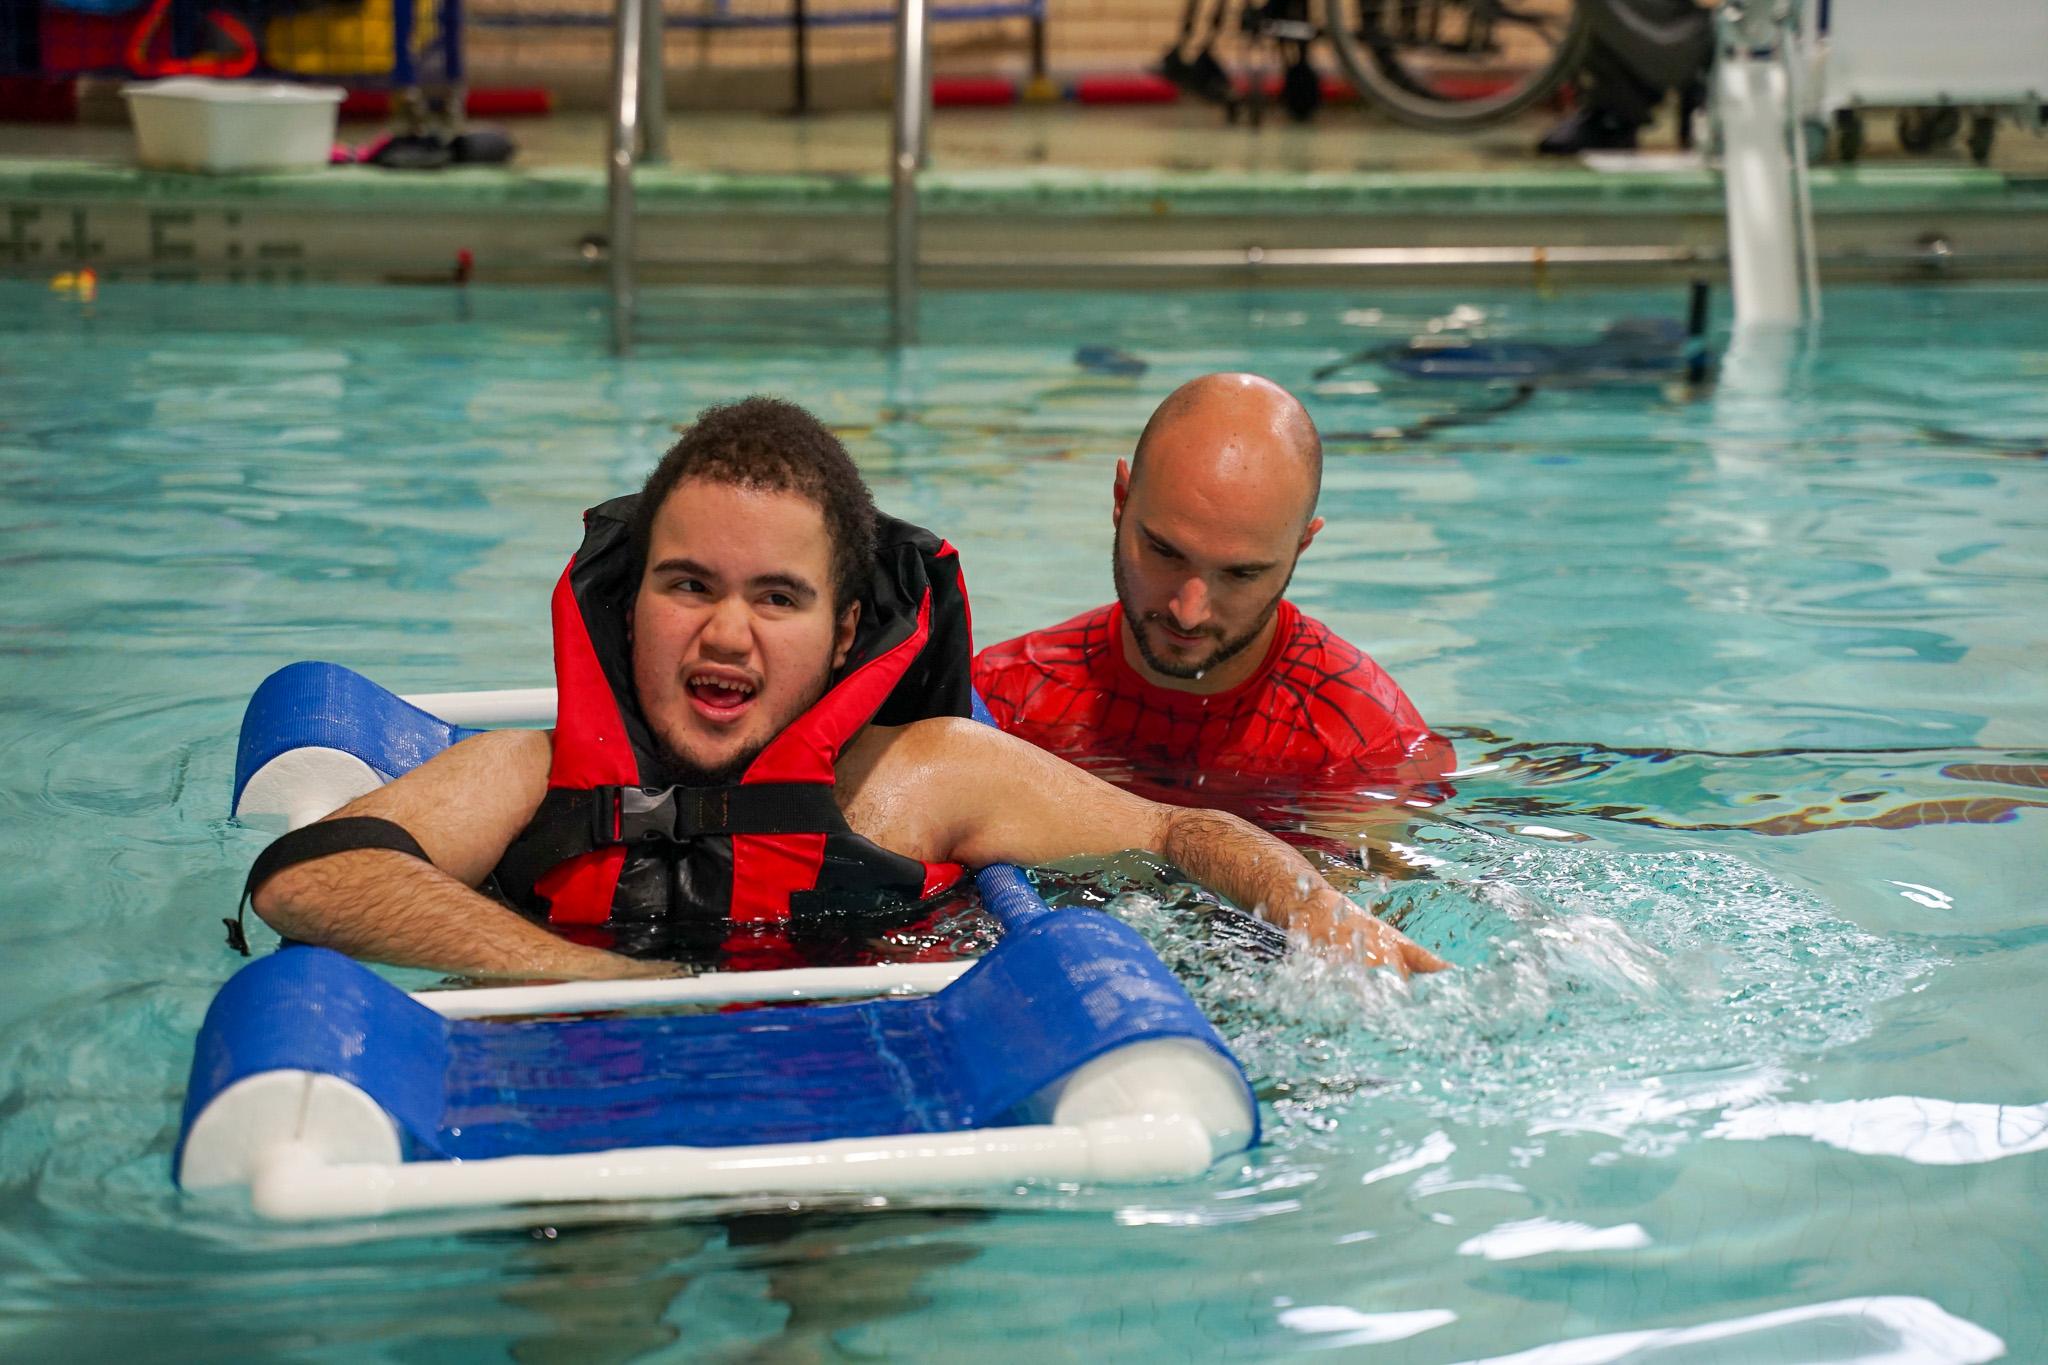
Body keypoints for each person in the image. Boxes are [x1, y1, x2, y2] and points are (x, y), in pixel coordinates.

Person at [248, 397, 1444, 980]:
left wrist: (1324, 916)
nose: (725, 633)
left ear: (843, 635)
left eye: (776, 597)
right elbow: (309, 877)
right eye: (685, 586)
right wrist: (606, 981)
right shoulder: (527, 775)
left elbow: (1185, 832)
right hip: (583, 1085)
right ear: (626, 606)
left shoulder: (920, 775)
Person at [973, 374, 1453, 800]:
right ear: (1120, 501)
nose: (1189, 611)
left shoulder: (1367, 746)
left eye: (1241, 574)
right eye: (1165, 552)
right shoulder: (1000, 699)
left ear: (1300, 548)